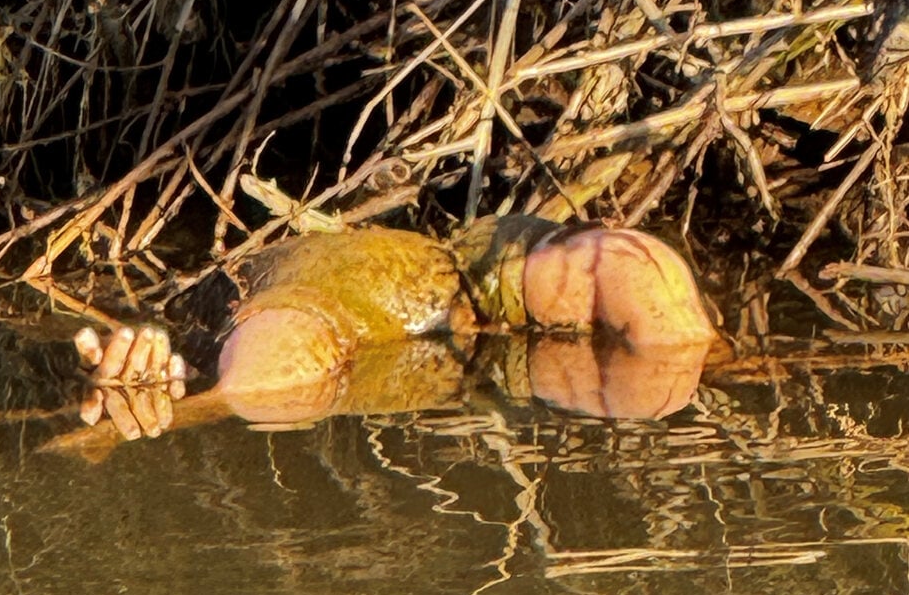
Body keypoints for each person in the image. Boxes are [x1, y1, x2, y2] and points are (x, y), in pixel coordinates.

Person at [74, 215, 717, 440]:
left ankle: (154, 392)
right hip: (269, 324)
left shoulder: (456, 282)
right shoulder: (399, 272)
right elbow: (294, 332)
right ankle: (154, 393)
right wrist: (208, 406)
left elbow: (644, 292)